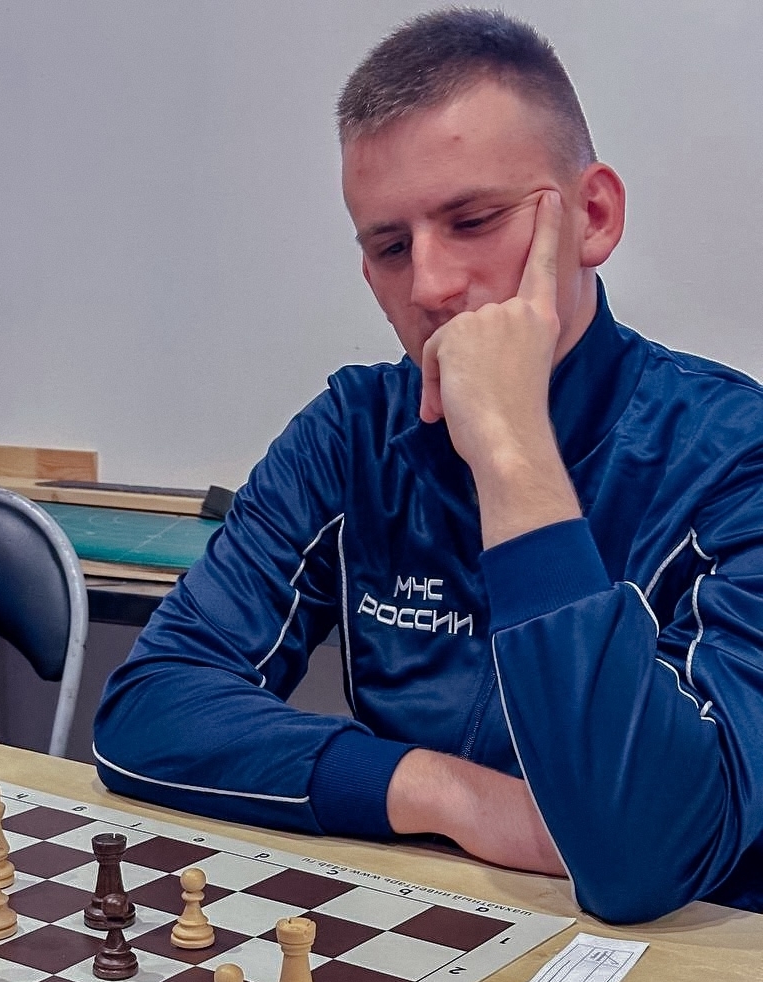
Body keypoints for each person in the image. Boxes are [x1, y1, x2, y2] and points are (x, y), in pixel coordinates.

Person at [94, 9, 763, 925]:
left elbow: (640, 861)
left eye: (474, 220)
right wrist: (446, 793)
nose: (432, 286)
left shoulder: (736, 459)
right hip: (434, 932)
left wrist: (511, 447)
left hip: (692, 971)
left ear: (594, 217)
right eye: (391, 247)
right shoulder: (354, 432)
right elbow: (148, 709)